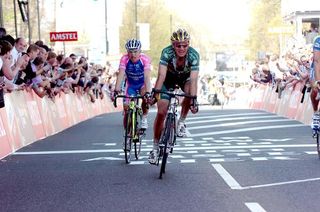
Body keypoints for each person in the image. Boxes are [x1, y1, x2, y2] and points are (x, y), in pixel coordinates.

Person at [148, 28, 199, 164]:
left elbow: (193, 80)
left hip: (185, 80)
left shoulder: (194, 55)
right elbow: (161, 75)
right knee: (161, 112)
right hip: (167, 80)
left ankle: (181, 121)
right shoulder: (166, 52)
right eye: (178, 45)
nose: (181, 48)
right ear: (173, 45)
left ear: (188, 44)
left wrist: (194, 100)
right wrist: (155, 93)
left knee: (189, 93)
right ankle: (154, 148)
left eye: (185, 45)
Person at [113, 39, 151, 133]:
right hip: (130, 85)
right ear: (127, 52)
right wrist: (116, 90)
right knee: (126, 108)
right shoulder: (124, 59)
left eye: (135, 51)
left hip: (142, 84)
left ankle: (144, 118)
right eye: (130, 52)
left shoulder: (145, 59)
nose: (133, 54)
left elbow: (147, 77)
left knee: (145, 98)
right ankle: (128, 135)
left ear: (140, 51)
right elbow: (121, 74)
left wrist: (148, 92)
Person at [310, 35, 320, 135]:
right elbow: (317, 61)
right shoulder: (318, 40)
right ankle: (316, 112)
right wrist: (318, 81)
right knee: (316, 89)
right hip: (317, 67)